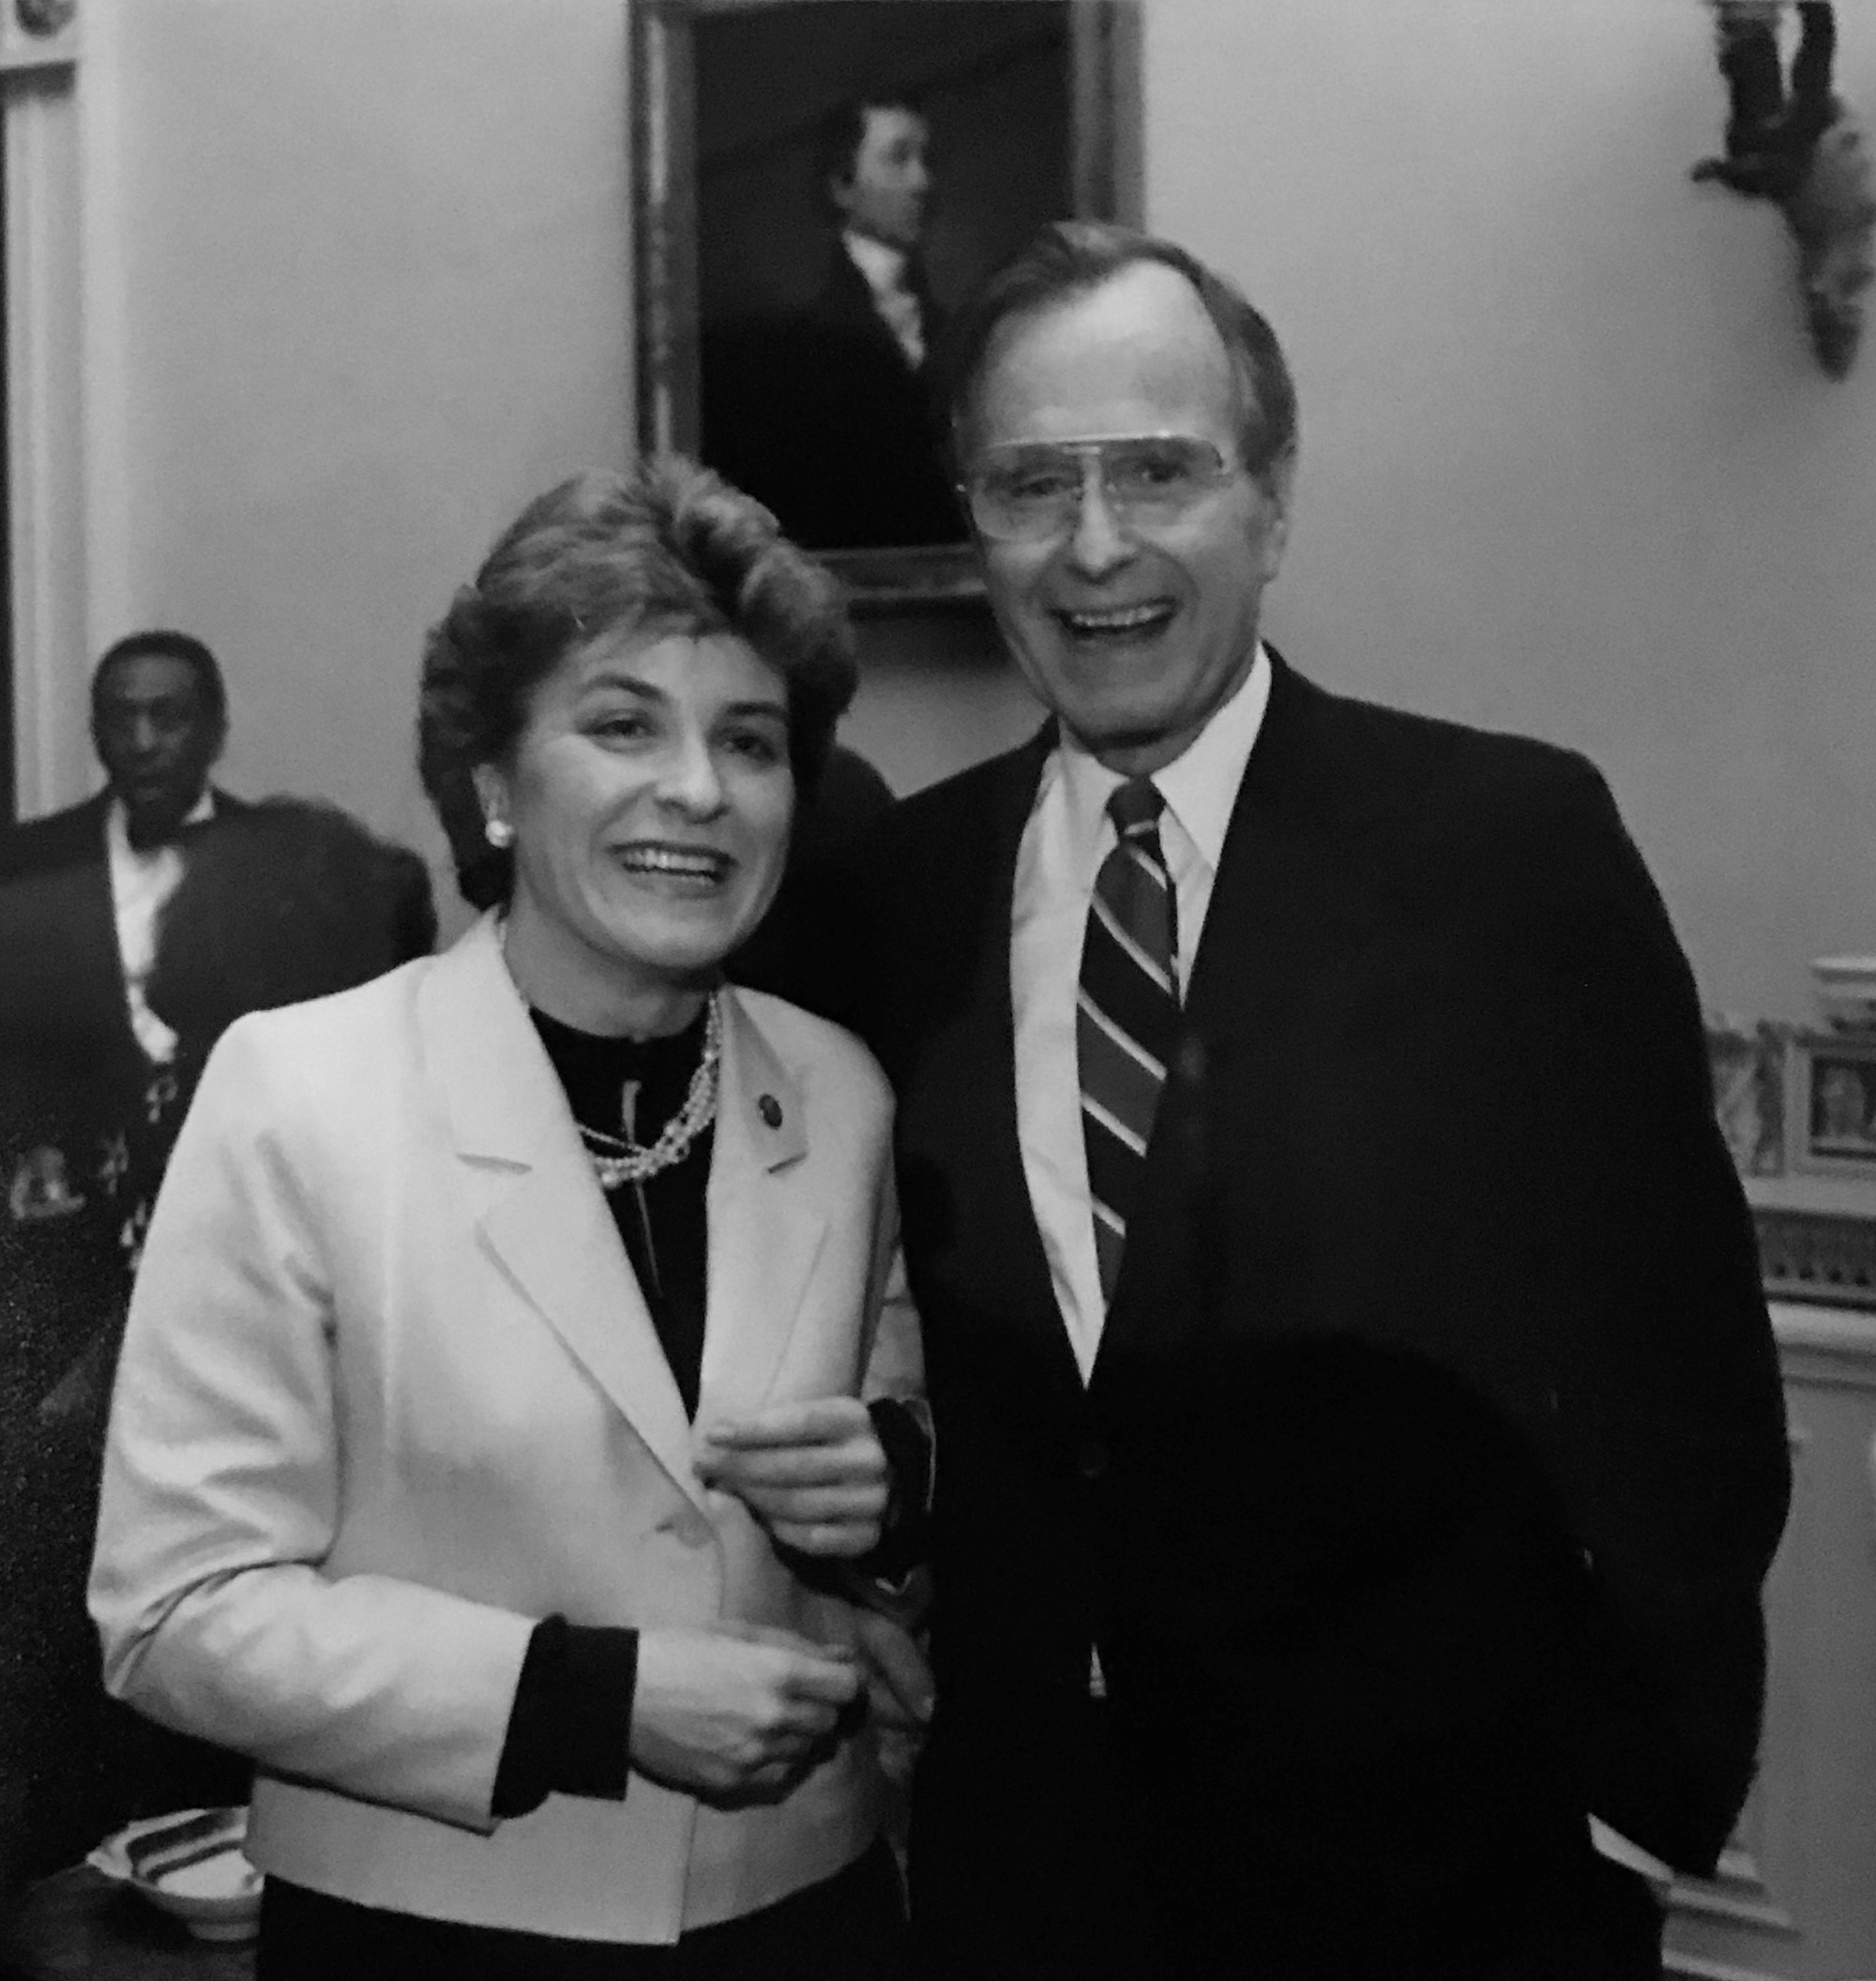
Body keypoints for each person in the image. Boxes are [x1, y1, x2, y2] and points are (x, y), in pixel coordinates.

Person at [849, 221, 1790, 1979]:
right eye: (1030, 482)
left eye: (1157, 470)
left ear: (1272, 504)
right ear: (971, 520)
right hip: (1031, 1877)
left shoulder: (1505, 852)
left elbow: (1685, 1378)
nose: (1096, 544)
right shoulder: (902, 895)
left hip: (1452, 1889)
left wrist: (1628, 1804)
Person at [89, 459, 930, 1980]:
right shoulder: (302, 1091)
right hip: (437, 1937)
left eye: (751, 740)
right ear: (491, 776)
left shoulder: (842, 1091)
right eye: (623, 724)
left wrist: (892, 1523)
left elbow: (876, 1523)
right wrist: (590, 1699)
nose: (699, 789)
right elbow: (174, 1612)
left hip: (811, 1919)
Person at [0, 630, 241, 1134]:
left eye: (167, 717)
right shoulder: (25, 868)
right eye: (120, 718)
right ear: (94, 733)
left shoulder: (275, 862)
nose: (142, 742)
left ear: (216, 732)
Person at [702, 97, 965, 551]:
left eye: (926, 161)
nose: (923, 182)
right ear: (842, 186)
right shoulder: (798, 331)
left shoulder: (949, 323)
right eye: (898, 159)